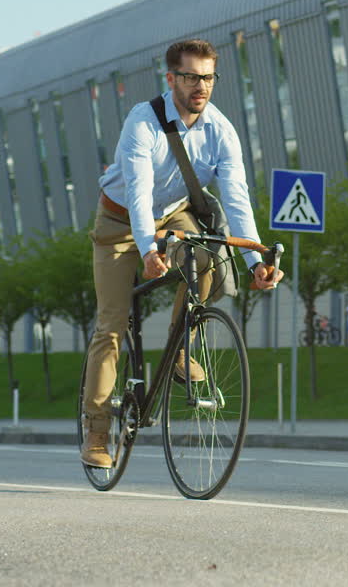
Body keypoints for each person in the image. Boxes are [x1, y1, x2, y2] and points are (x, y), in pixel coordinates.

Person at [81, 39, 283, 468]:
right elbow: (137, 196)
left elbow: (237, 200)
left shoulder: (221, 131)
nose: (200, 86)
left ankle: (179, 347)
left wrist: (255, 260)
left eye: (208, 77)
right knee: (111, 326)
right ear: (171, 78)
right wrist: (147, 249)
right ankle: (96, 432)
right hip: (120, 223)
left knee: (210, 254)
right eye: (190, 77)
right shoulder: (143, 122)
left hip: (174, 216)